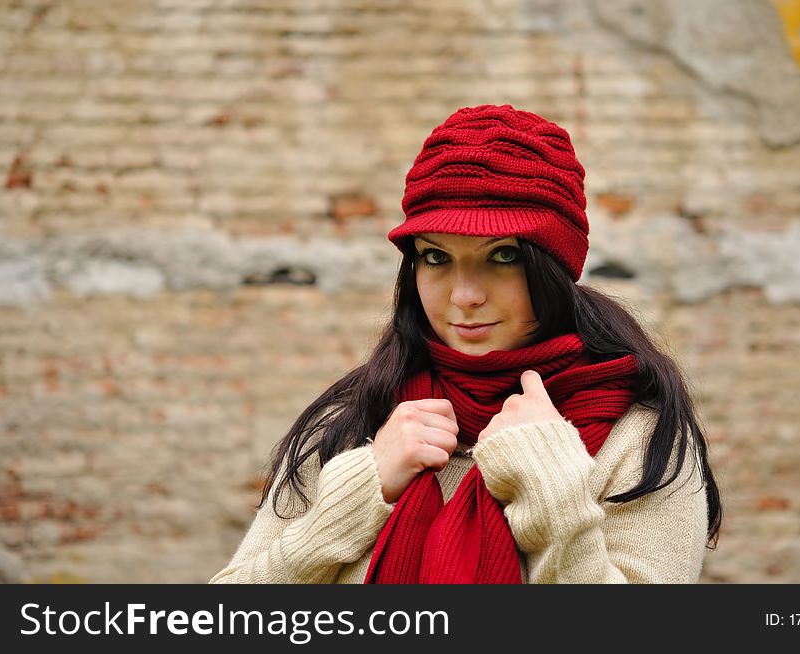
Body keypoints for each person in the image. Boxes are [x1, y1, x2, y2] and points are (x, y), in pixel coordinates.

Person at [209, 103, 722, 584]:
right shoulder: (359, 422)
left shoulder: (640, 438)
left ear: (553, 268)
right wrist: (356, 495)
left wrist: (549, 481)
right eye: (436, 258)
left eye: (502, 256)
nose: (464, 295)